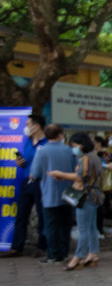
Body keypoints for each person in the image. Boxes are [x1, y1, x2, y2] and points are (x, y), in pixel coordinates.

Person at [48, 132, 103, 271]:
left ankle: (78, 257)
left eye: (74, 146)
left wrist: (61, 174)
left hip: (86, 195)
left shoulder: (86, 158)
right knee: (91, 227)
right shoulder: (94, 156)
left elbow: (80, 177)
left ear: (81, 145)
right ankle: (93, 254)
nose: (73, 149)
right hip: (94, 195)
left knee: (83, 228)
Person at [2, 114, 48, 259]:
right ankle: (17, 247)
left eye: (28, 124)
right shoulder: (28, 142)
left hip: (41, 183)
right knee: (21, 215)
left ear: (37, 126)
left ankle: (42, 247)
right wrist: (20, 162)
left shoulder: (47, 143)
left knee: (42, 215)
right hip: (26, 182)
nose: (26, 127)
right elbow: (26, 162)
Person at [30, 124, 76, 263]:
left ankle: (53, 255)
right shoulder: (69, 150)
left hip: (49, 194)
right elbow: (77, 170)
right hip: (68, 194)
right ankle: (64, 252)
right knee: (66, 225)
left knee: (51, 226)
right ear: (60, 135)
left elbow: (35, 173)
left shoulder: (42, 151)